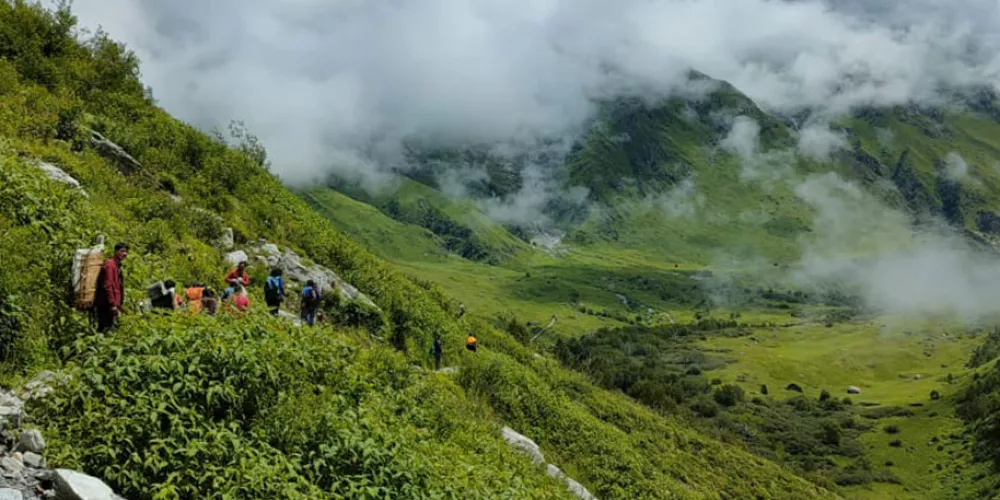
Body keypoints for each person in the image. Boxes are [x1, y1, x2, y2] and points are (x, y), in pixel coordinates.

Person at [94, 242, 128, 332]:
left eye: (126, 252)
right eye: (122, 251)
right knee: (105, 328)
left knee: (107, 328)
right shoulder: (110, 264)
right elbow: (108, 285)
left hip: (110, 304)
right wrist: (112, 304)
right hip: (106, 304)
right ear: (116, 251)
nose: (125, 254)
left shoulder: (116, 265)